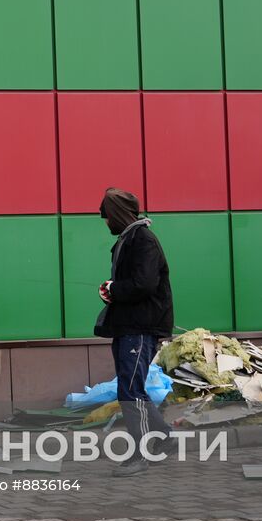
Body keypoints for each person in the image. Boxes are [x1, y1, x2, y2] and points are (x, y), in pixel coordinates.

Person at [94, 188, 174, 478]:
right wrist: (113, 291)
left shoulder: (142, 240)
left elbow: (144, 283)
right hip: (130, 325)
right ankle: (164, 437)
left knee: (129, 391)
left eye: (106, 217)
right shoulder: (130, 239)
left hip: (140, 327)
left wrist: (115, 288)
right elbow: (138, 283)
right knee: (132, 388)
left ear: (115, 214)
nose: (105, 223)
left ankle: (140, 454)